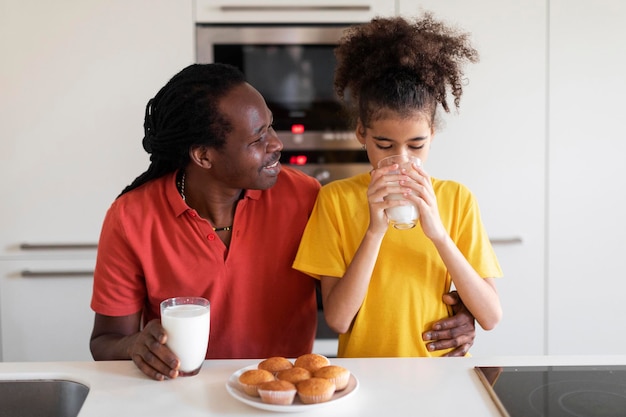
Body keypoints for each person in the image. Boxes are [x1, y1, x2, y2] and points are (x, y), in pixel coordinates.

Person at [89, 63, 478, 381]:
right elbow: (106, 340)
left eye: (271, 126)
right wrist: (134, 346)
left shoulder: (306, 198)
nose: (277, 144)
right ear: (203, 156)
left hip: (287, 393)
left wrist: (459, 312)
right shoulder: (130, 217)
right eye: (258, 138)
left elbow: (385, 277)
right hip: (179, 394)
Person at [292, 14, 503, 358]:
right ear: (362, 133)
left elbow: (491, 316)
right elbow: (339, 319)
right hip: (365, 378)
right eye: (385, 145)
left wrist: (437, 233)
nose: (402, 159)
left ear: (432, 133)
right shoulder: (336, 200)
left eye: (416, 145)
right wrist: (374, 230)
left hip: (440, 376)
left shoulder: (456, 199)